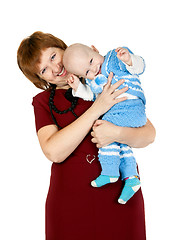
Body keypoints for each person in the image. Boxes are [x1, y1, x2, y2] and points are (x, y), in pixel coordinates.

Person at [17, 31, 155, 240]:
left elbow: (148, 134)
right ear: (39, 79)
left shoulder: (103, 79)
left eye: (53, 56)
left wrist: (116, 133)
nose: (56, 68)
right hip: (70, 203)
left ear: (63, 48)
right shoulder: (43, 102)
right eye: (44, 69)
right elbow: (54, 151)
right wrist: (97, 108)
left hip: (121, 196)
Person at [63, 43, 147, 204]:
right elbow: (91, 96)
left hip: (131, 108)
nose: (93, 69)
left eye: (91, 61)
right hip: (121, 114)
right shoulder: (94, 81)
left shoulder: (114, 58)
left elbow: (139, 67)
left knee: (104, 128)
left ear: (94, 50)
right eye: (87, 72)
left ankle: (110, 171)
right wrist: (78, 87)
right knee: (120, 144)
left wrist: (129, 59)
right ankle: (131, 178)